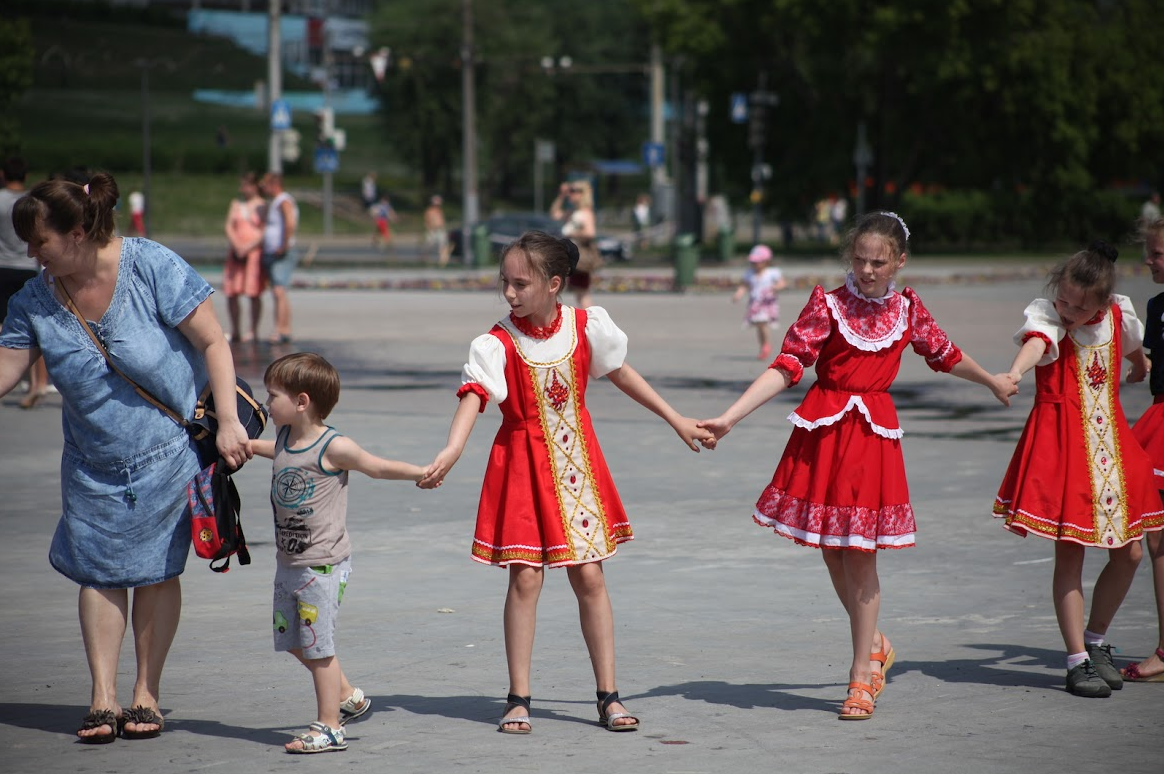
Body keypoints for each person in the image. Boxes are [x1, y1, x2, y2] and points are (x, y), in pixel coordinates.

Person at [698, 212, 1015, 720]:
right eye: (861, 259)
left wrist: (993, 381)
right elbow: (788, 364)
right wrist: (731, 417)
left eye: (879, 262)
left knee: (860, 552)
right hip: (825, 430)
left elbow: (944, 353)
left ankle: (860, 679)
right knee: (831, 549)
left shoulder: (908, 308)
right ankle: (875, 642)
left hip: (871, 438)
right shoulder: (827, 304)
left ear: (899, 262)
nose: (867, 270)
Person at [418, 231, 712, 733]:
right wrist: (453, 447)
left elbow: (620, 373)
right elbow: (474, 394)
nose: (509, 294)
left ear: (554, 284)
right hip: (522, 465)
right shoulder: (497, 342)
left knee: (590, 576)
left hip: (578, 464)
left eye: (520, 284)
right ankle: (518, 697)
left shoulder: (584, 327)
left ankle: (609, 696)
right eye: (504, 283)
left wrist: (675, 417)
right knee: (525, 577)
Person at [0, 172, 251, 743]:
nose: (30, 252)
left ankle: (146, 695)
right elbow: (7, 369)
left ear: (80, 230)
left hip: (168, 453)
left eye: (39, 241)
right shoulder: (34, 299)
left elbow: (214, 340)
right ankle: (103, 699)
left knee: (157, 574)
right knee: (98, 574)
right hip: (92, 463)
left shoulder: (149, 265)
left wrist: (231, 421)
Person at [992, 240, 1160, 698]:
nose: (1066, 310)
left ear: (1101, 304)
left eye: (1078, 307)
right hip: (1064, 442)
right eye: (1062, 298)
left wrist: (1140, 365)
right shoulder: (1048, 319)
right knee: (1071, 552)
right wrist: (1015, 374)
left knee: (1130, 553)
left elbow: (1130, 349)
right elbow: (1036, 343)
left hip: (1111, 444)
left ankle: (1096, 639)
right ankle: (1075, 660)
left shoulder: (1118, 315)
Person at [248, 352, 429, 753]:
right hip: (289, 563)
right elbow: (270, 450)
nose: (265, 404)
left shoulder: (334, 445)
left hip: (323, 566)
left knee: (319, 646)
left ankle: (329, 725)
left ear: (301, 401)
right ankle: (348, 695)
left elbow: (377, 467)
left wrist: (421, 473)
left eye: (272, 395)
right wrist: (243, 446)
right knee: (291, 639)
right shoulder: (282, 439)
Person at [1122, 219, 1164, 683]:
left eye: (1156, 254)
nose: (1149, 262)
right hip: (1159, 412)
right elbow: (1149, 363)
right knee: (1156, 535)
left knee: (1158, 536)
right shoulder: (1156, 306)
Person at [0, 155, 50, 408]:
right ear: (25, 175)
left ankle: (8, 375)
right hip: (27, 269)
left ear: (3, 174)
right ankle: (38, 383)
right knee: (36, 326)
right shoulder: (33, 204)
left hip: (2, 267)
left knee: (4, 324)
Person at [222, 172, 267, 344]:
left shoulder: (262, 205)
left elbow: (264, 230)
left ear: (255, 186)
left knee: (253, 292)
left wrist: (249, 246)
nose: (244, 189)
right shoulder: (236, 204)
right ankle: (235, 330)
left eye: (247, 185)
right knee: (232, 292)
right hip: (236, 252)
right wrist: (236, 245)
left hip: (253, 252)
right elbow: (229, 226)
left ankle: (253, 330)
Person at [260, 172, 299, 344]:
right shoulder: (276, 201)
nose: (262, 187)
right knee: (279, 291)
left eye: (265, 184)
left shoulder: (283, 200)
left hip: (281, 251)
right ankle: (284, 328)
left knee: (279, 290)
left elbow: (290, 223)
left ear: (274, 184)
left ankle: (281, 329)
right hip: (274, 250)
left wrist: (283, 245)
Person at [732, 244, 787, 360]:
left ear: (766, 261)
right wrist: (738, 294)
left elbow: (782, 283)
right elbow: (744, 286)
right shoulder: (750, 273)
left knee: (762, 323)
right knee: (759, 325)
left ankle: (766, 345)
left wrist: (776, 287)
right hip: (755, 304)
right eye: (753, 262)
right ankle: (763, 345)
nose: (755, 265)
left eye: (758, 262)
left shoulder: (772, 272)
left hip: (767, 303)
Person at [551, 180, 600, 308]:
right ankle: (585, 318)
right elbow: (555, 214)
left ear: (582, 194)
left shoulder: (585, 212)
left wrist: (571, 234)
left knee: (582, 292)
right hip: (572, 255)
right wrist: (561, 195)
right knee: (578, 291)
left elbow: (590, 233)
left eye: (573, 191)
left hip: (581, 255)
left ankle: (588, 320)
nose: (570, 194)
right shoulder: (573, 212)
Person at [424, 194, 450, 266]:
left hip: (440, 230)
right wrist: (430, 228)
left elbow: (442, 221)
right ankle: (426, 259)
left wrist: (443, 228)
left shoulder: (440, 211)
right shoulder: (429, 211)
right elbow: (427, 221)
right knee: (429, 245)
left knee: (443, 245)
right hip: (432, 230)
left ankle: (443, 261)